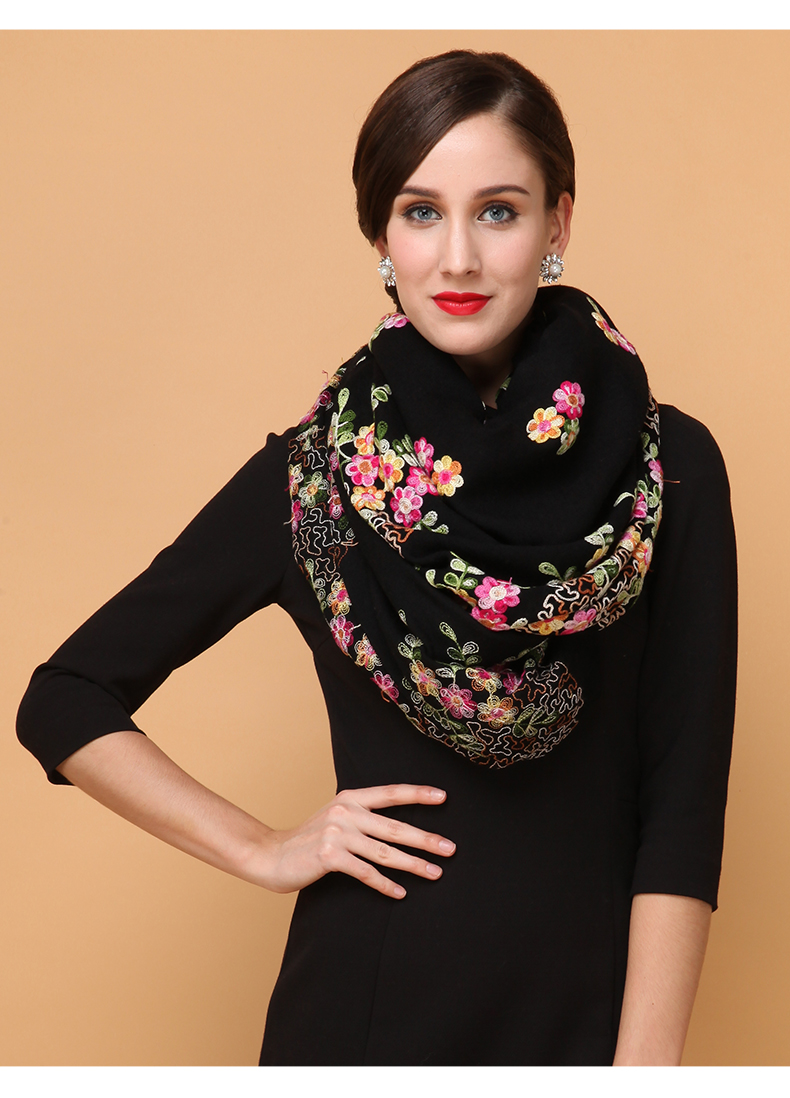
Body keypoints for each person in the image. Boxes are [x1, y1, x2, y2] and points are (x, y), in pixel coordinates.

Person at [16, 50, 737, 1066]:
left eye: (498, 211)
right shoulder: (314, 483)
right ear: (382, 236)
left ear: (558, 224)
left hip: (588, 1027)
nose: (458, 258)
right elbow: (65, 698)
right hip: (358, 1024)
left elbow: (682, 807)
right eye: (420, 212)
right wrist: (264, 848)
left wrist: (643, 1074)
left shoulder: (665, 469)